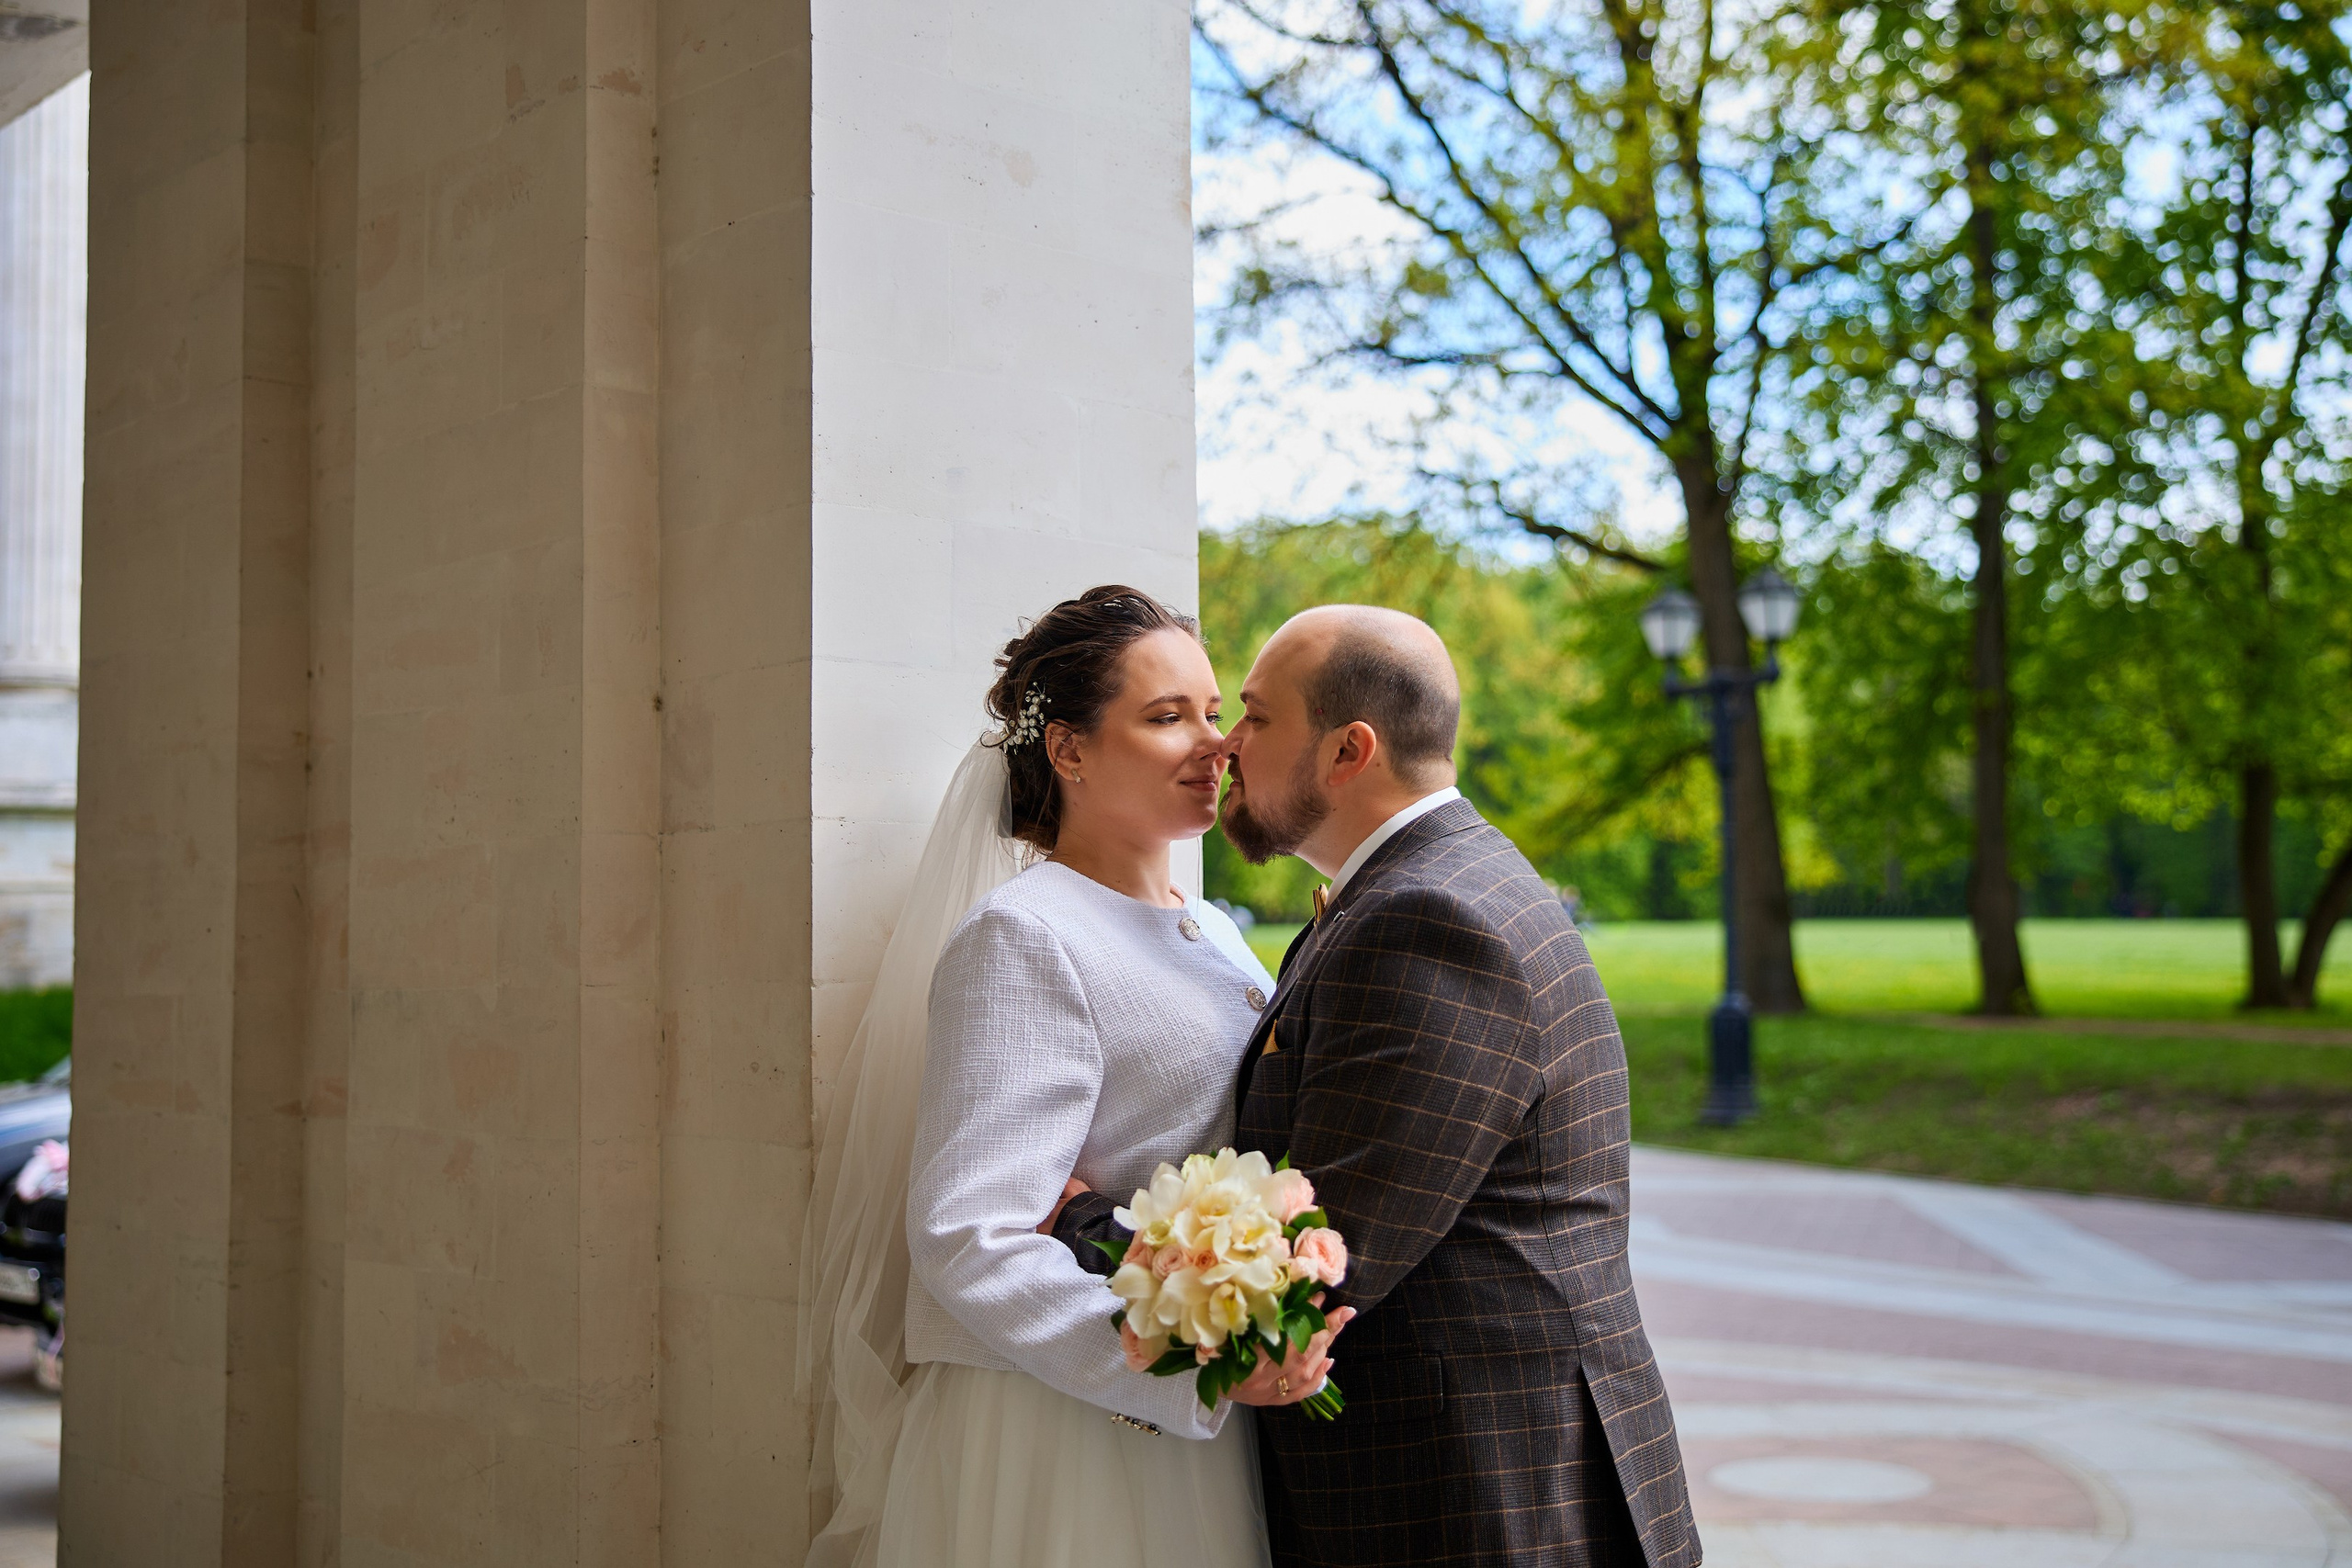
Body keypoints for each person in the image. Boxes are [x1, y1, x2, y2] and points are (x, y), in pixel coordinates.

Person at [1054, 605, 1702, 1567]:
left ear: (1346, 751)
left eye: (1258, 717)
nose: (1228, 743)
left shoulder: (1428, 921)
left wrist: (1074, 1216)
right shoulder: (1423, 886)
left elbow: (1307, 1271)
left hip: (1471, 1501)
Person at [799, 587, 1350, 1568]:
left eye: (1216, 712)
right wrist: (1178, 1362)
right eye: (1166, 715)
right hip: (1074, 1427)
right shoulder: (1026, 936)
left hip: (1200, 1427)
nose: (1213, 744)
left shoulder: (1215, 928)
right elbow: (970, 1236)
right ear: (1070, 750)